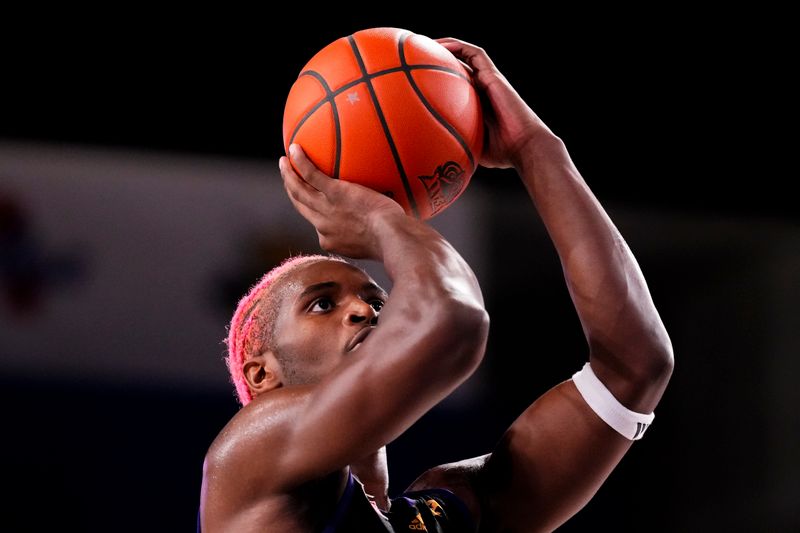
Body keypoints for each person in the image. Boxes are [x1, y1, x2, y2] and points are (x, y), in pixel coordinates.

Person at [199, 37, 674, 532]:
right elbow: (452, 321)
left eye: (378, 301)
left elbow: (635, 366)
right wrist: (383, 221)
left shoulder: (442, 514)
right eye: (321, 305)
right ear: (261, 376)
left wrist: (535, 150)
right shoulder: (248, 455)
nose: (364, 313)